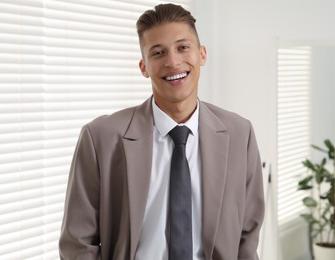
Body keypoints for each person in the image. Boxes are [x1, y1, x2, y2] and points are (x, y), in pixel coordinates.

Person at [59, 3, 264, 260]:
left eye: (183, 47)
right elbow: (77, 244)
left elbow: (248, 236)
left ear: (202, 54)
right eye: (158, 53)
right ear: (143, 67)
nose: (173, 61)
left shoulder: (239, 134)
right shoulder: (100, 137)